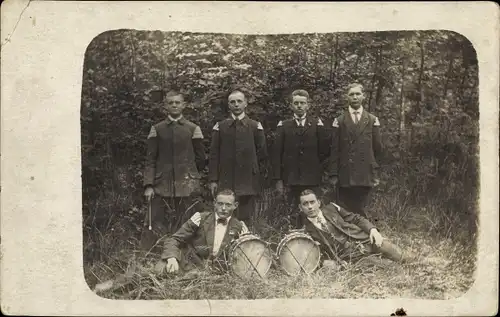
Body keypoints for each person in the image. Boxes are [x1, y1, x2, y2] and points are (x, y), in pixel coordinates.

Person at [142, 90, 206, 250]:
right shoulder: (157, 129)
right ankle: (152, 252)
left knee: (189, 219)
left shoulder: (193, 129)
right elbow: (150, 159)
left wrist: (192, 176)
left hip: (187, 184)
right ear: (165, 106)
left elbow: (201, 159)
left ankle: (191, 252)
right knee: (156, 219)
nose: (174, 105)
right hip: (162, 184)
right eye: (171, 103)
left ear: (184, 105)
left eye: (178, 102)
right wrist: (149, 185)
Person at [298, 189, 416, 265]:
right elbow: (315, 255)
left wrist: (373, 230)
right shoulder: (305, 230)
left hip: (364, 240)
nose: (310, 207)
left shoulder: (332, 208)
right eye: (305, 204)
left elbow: (356, 218)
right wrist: (331, 262)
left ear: (318, 202)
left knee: (398, 255)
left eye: (312, 202)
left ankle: (416, 262)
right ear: (300, 207)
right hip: (351, 256)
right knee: (388, 266)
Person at [208, 88, 268, 226]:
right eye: (232, 102)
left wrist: (255, 174)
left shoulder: (254, 126)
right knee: (225, 214)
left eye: (239, 101)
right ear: (228, 105)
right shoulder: (221, 127)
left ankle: (245, 242)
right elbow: (214, 155)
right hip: (226, 179)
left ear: (245, 103)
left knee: (246, 217)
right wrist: (213, 179)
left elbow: (262, 154)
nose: (236, 104)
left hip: (248, 180)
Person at [271, 89, 331, 228]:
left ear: (308, 105)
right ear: (291, 105)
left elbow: (324, 151)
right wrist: (278, 179)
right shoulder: (284, 125)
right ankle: (295, 235)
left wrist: (318, 169)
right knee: (293, 210)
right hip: (291, 179)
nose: (299, 106)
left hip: (312, 178)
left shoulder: (316, 124)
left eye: (302, 103)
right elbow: (277, 154)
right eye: (296, 103)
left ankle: (317, 236)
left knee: (313, 209)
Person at [155, 189, 249, 274]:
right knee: (161, 269)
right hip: (191, 265)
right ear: (214, 203)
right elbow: (174, 239)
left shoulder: (239, 227)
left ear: (235, 206)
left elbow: (248, 254)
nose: (223, 208)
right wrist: (172, 258)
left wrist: (246, 239)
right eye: (220, 204)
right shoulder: (201, 218)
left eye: (228, 205)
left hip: (219, 273)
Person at [327, 83, 383, 219]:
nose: (355, 97)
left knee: (361, 207)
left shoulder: (371, 120)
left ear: (363, 96)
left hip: (365, 173)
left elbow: (377, 148)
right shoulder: (339, 121)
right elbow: (334, 149)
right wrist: (333, 173)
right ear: (347, 97)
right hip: (345, 173)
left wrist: (374, 172)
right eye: (351, 94)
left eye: (358, 94)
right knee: (345, 209)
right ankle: (349, 235)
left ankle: (365, 235)